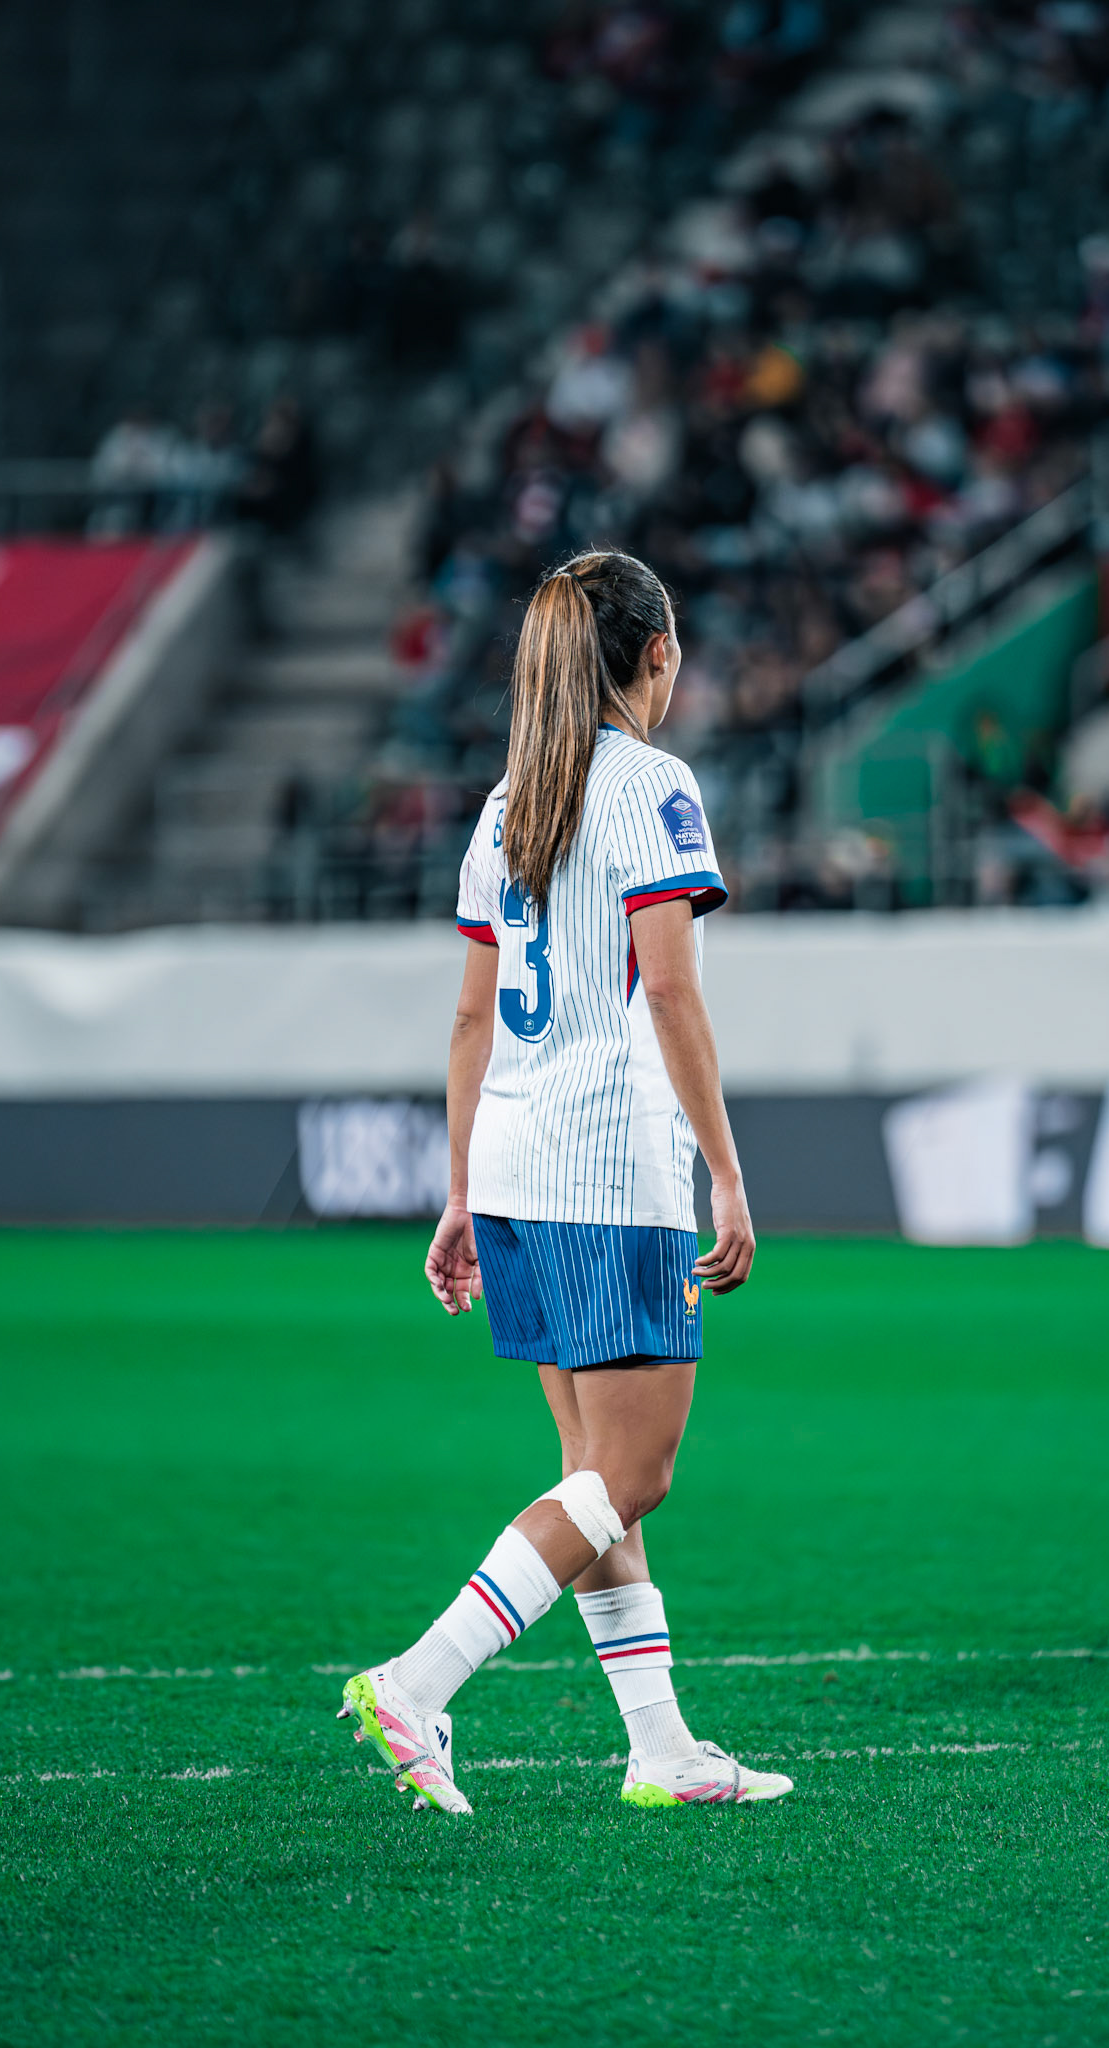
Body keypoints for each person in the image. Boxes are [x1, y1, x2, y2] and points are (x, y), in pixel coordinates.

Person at [337, 550, 791, 1810]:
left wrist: (458, 1189)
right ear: (656, 653)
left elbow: (471, 1022)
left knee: (594, 1478)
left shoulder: (504, 804)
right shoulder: (651, 785)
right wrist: (729, 1173)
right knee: (630, 1475)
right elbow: (678, 994)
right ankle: (418, 1682)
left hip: (520, 1164)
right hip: (612, 1161)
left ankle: (660, 1746)